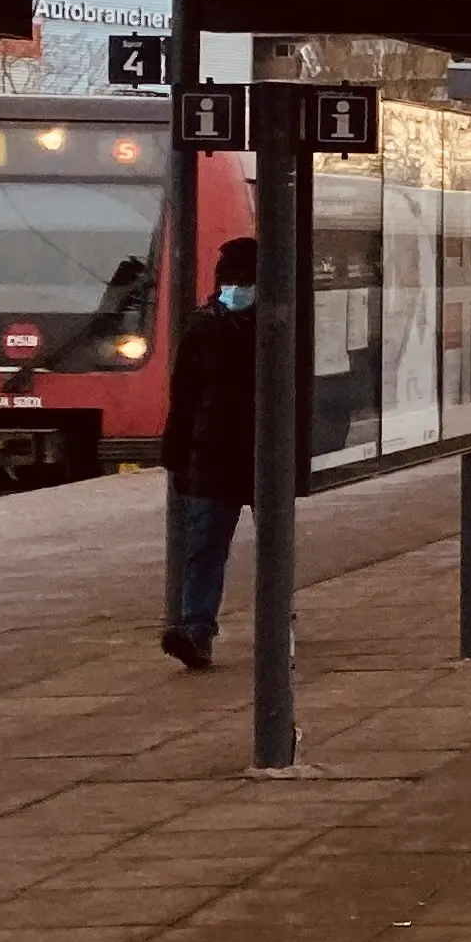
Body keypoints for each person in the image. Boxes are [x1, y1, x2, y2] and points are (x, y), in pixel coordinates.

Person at [160, 235, 257, 670]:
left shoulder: (276, 324)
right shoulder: (203, 327)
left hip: (263, 455)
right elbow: (183, 397)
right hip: (212, 456)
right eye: (230, 280)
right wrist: (177, 457)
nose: (235, 288)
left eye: (245, 279)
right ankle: (197, 631)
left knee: (272, 547)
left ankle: (278, 621)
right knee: (204, 547)